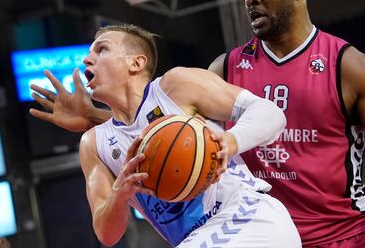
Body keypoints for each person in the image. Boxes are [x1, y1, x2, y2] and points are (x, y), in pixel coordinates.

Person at [28, 0, 365, 246]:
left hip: (328, 229)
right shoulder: (227, 67)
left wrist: (228, 144)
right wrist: (96, 125)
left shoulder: (345, 65)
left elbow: (247, 120)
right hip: (254, 231)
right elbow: (169, 131)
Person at [31, 24, 301, 247]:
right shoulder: (94, 143)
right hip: (197, 239)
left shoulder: (175, 86)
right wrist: (120, 192)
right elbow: (106, 234)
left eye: (101, 49)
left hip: (250, 216)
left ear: (136, 63)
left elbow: (271, 113)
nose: (87, 59)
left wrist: (231, 141)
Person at [207, 0, 365, 248]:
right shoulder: (225, 69)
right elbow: (169, 120)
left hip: (341, 236)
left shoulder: (348, 65)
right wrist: (104, 117)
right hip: (261, 237)